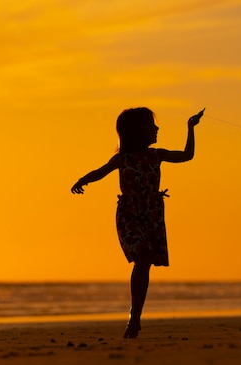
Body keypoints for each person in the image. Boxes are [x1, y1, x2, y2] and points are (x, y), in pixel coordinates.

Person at [71, 107, 204, 338]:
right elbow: (100, 172)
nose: (156, 129)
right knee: (141, 258)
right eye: (150, 125)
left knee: (144, 263)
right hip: (130, 213)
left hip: (152, 213)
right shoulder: (123, 158)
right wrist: (82, 180)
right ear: (136, 131)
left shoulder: (156, 155)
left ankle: (136, 314)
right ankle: (135, 316)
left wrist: (190, 128)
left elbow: (186, 155)